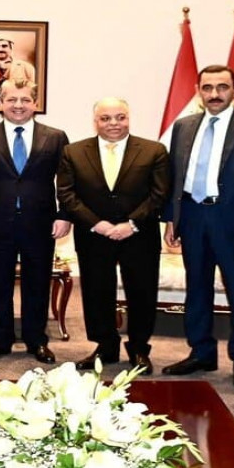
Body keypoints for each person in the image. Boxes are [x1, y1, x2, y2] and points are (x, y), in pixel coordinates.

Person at [161, 65, 234, 390]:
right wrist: (171, 219)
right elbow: (174, 175)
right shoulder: (184, 126)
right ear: (198, 91)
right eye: (207, 88)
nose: (215, 94)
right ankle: (201, 352)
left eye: (222, 87)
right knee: (197, 288)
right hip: (192, 217)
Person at [56, 98, 169, 375]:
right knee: (96, 291)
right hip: (94, 235)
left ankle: (139, 348)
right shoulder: (73, 152)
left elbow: (159, 194)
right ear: (95, 121)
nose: (114, 124)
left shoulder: (154, 150)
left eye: (120, 117)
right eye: (105, 118)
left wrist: (132, 224)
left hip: (139, 235)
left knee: (141, 292)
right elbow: (67, 194)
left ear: (128, 118)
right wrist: (97, 224)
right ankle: (105, 346)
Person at [0, 79, 71, 364]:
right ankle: (0, 341)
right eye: (11, 99)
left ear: (35, 103)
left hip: (41, 223)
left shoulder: (56, 137)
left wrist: (64, 215)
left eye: (25, 100)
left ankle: (37, 340)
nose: (18, 105)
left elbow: (66, 181)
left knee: (38, 283)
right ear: (1, 103)